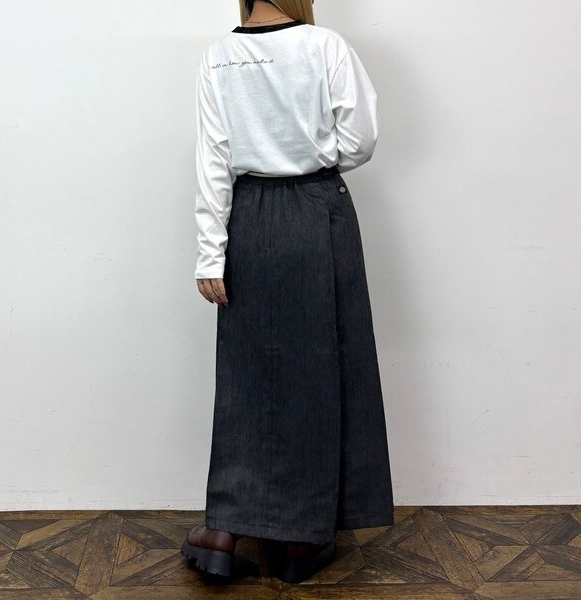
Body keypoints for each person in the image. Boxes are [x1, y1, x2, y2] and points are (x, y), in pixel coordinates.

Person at [182, 0, 394, 583]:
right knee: (322, 367)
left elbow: (213, 159)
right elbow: (360, 141)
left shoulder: (218, 56)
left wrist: (210, 252)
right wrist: (308, 156)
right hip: (318, 209)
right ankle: (300, 541)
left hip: (247, 218)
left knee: (247, 373)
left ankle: (225, 529)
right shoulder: (325, 46)